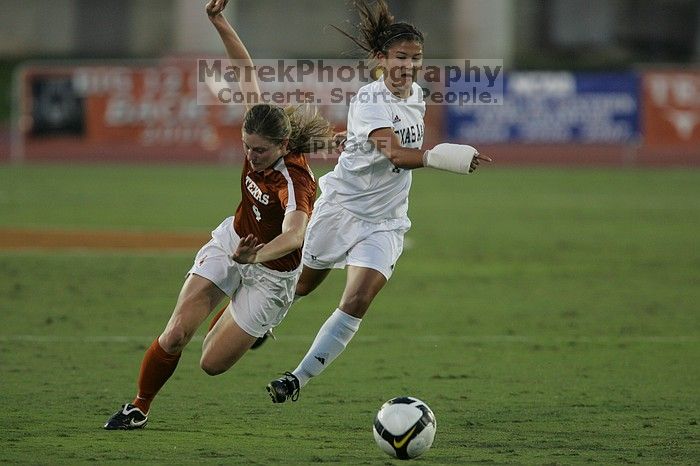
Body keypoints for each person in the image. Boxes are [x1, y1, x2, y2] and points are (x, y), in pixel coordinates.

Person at [104, 0, 333, 429]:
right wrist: (218, 20)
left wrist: (255, 259)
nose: (250, 155)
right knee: (175, 333)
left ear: (283, 146)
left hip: (272, 273)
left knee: (211, 362)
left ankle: (250, 319)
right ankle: (139, 406)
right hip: (234, 240)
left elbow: (295, 236)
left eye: (259, 150)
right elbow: (244, 69)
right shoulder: (260, 129)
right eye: (247, 146)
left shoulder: (295, 180)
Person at [266, 0, 492, 403]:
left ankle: (296, 380)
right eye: (401, 57)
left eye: (416, 58)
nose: (409, 65)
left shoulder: (417, 96)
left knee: (357, 298)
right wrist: (450, 157)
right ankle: (260, 323)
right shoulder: (371, 99)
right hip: (341, 209)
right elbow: (397, 155)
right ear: (381, 60)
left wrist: (347, 142)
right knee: (300, 285)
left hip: (385, 221)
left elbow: (387, 148)